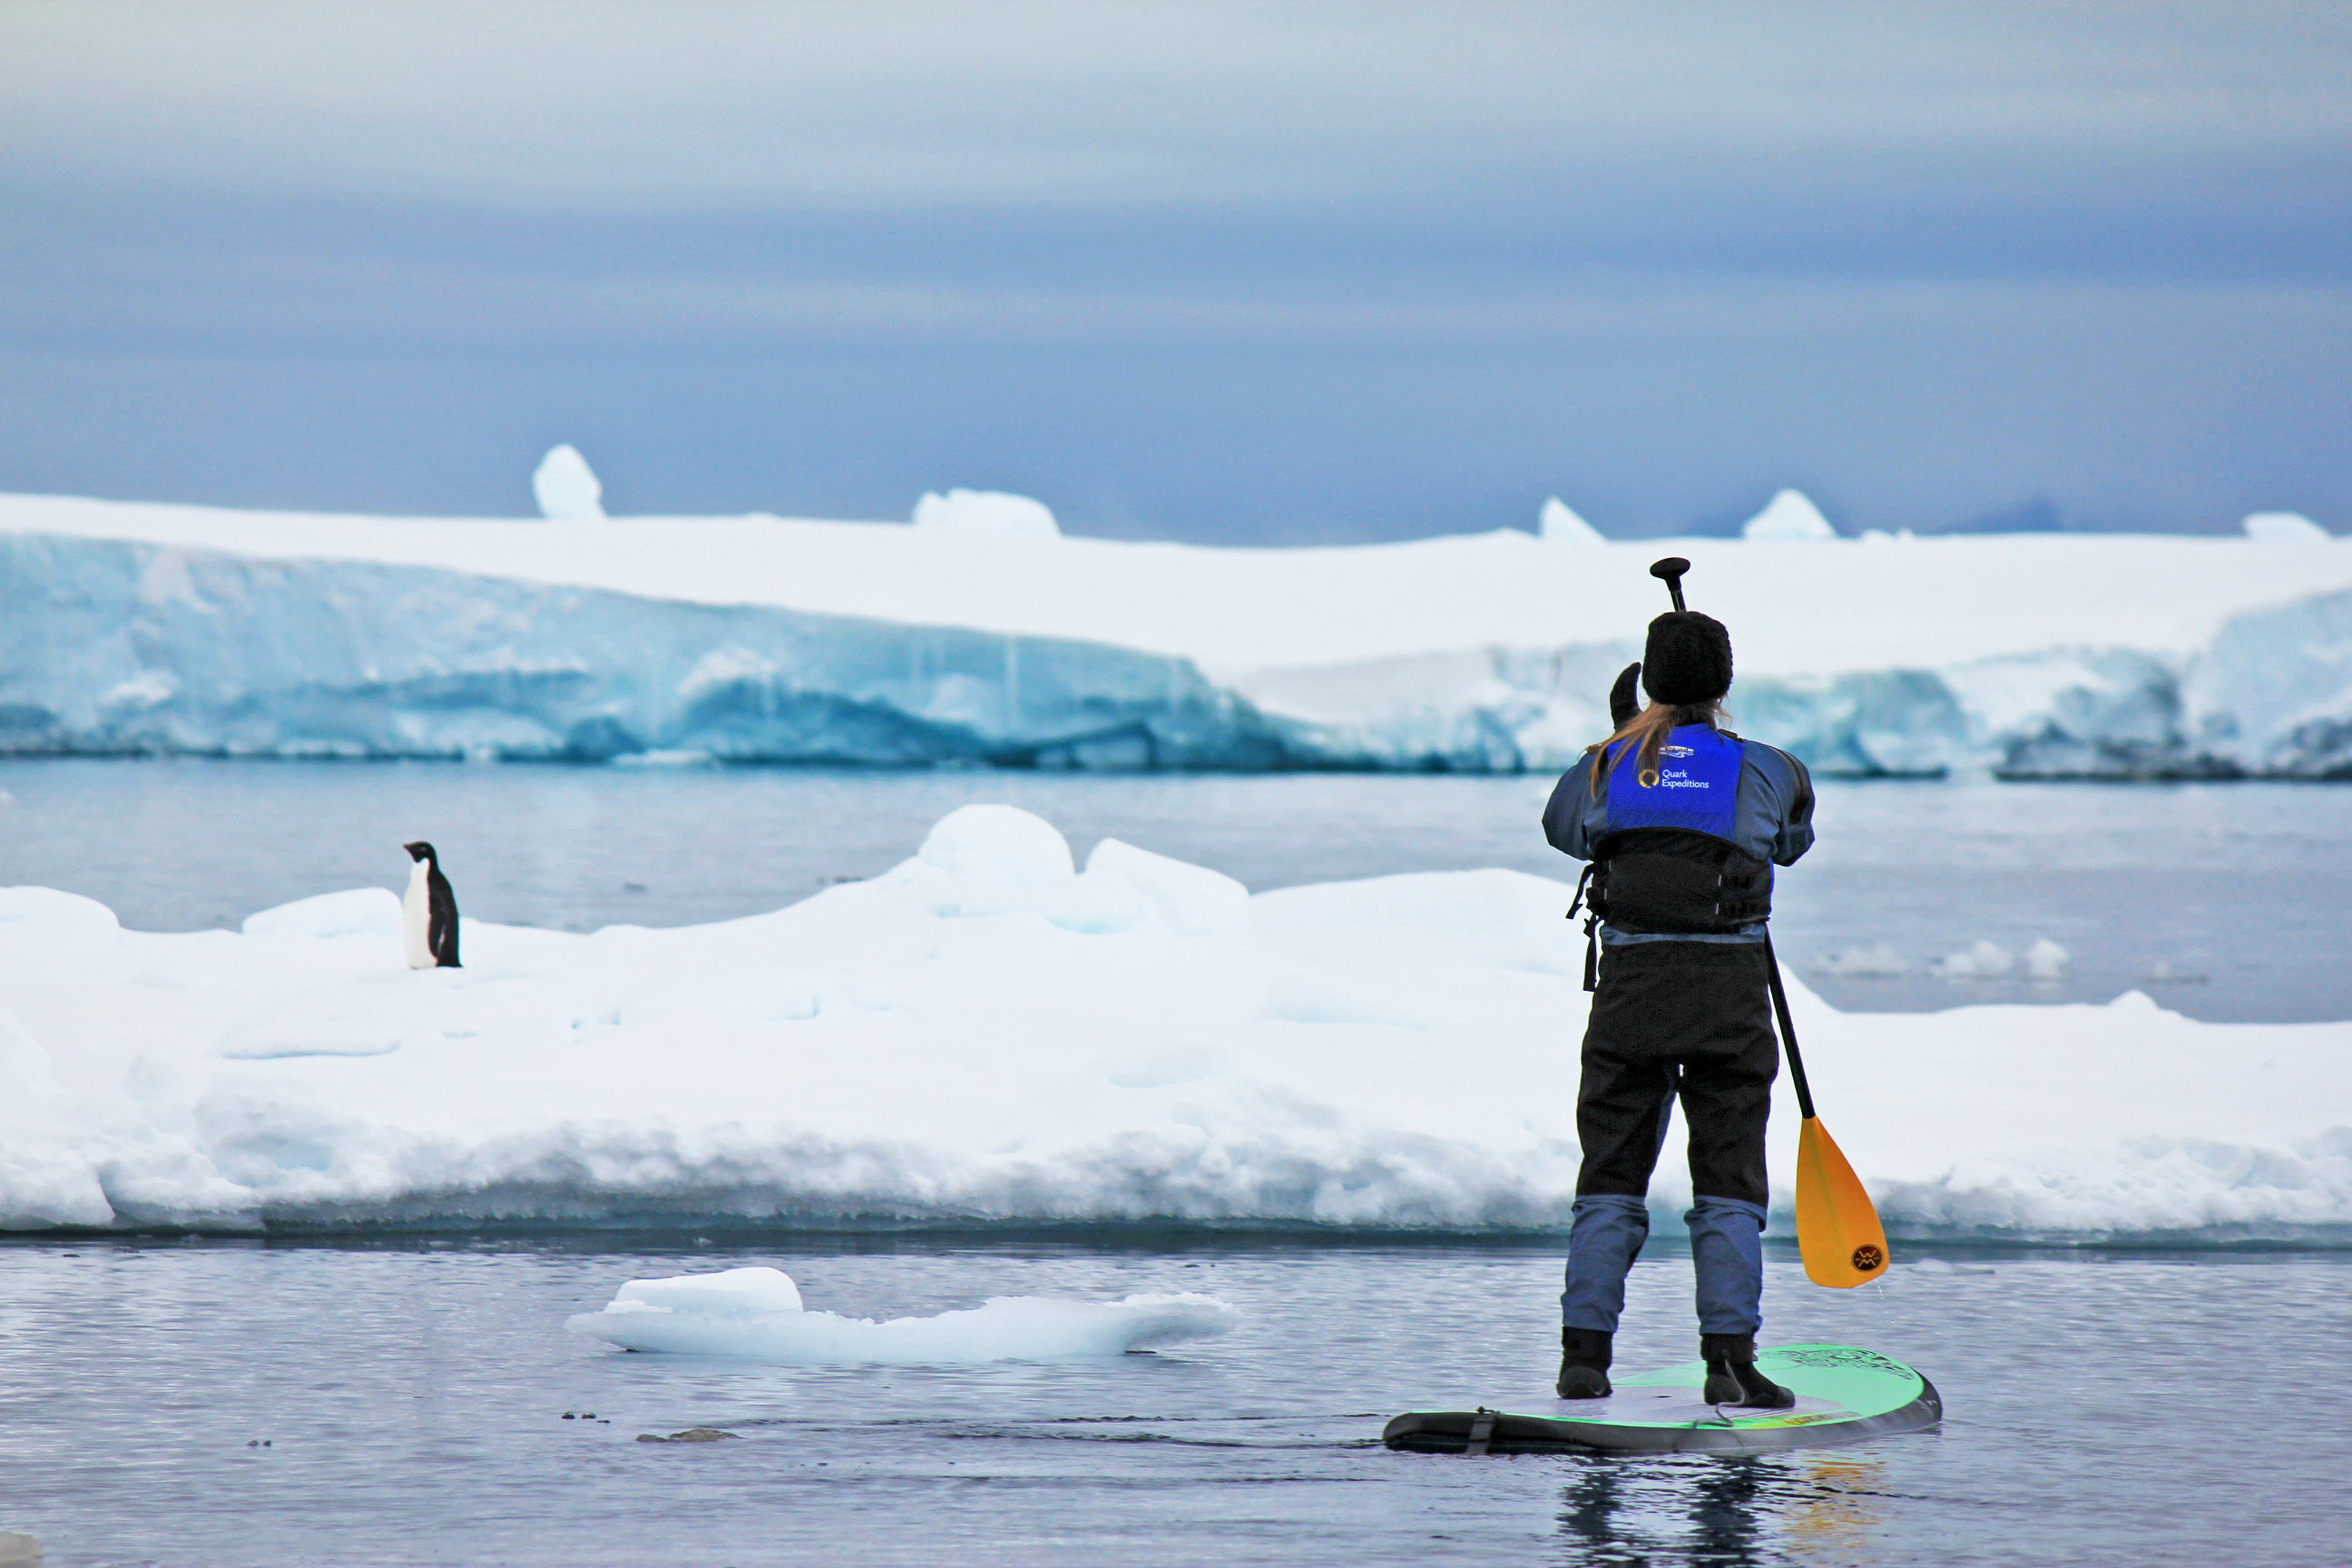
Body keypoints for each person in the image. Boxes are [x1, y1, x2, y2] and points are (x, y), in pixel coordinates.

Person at [1540, 602, 1815, 1408]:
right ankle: (1729, 1364)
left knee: (1611, 1174)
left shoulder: (1602, 765)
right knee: (1728, 1181)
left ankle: (1583, 1360)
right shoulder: (1772, 768)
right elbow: (1790, 843)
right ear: (1724, 682)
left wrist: (1625, 738)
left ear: (1649, 679)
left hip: (1632, 997)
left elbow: (1566, 832)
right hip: (1730, 999)